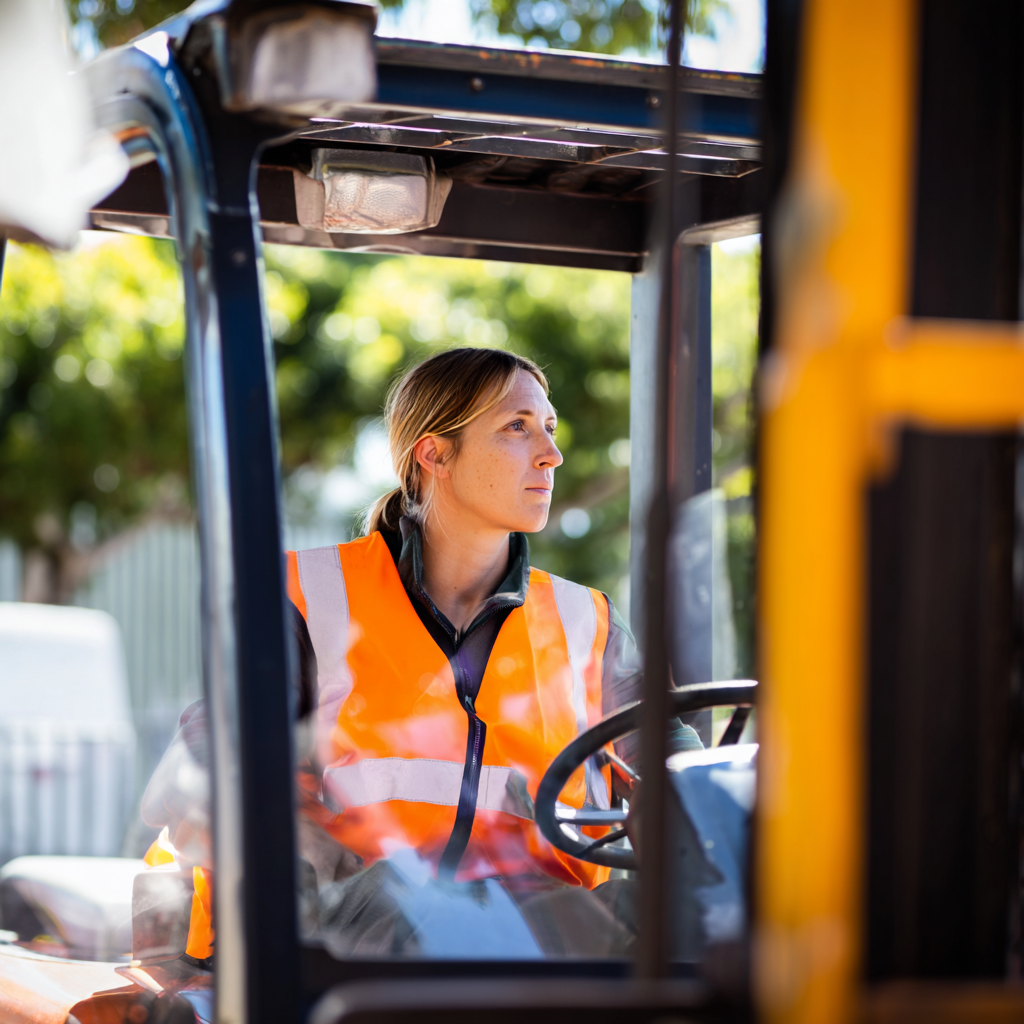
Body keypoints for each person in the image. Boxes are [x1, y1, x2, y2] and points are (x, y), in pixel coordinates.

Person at [144, 346, 702, 960]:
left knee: (695, 932)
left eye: (549, 427)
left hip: (532, 936)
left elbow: (669, 755)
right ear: (433, 453)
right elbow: (205, 766)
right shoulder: (308, 597)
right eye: (516, 427)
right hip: (334, 931)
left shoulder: (585, 621)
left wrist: (686, 808)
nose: (551, 453)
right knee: (423, 910)